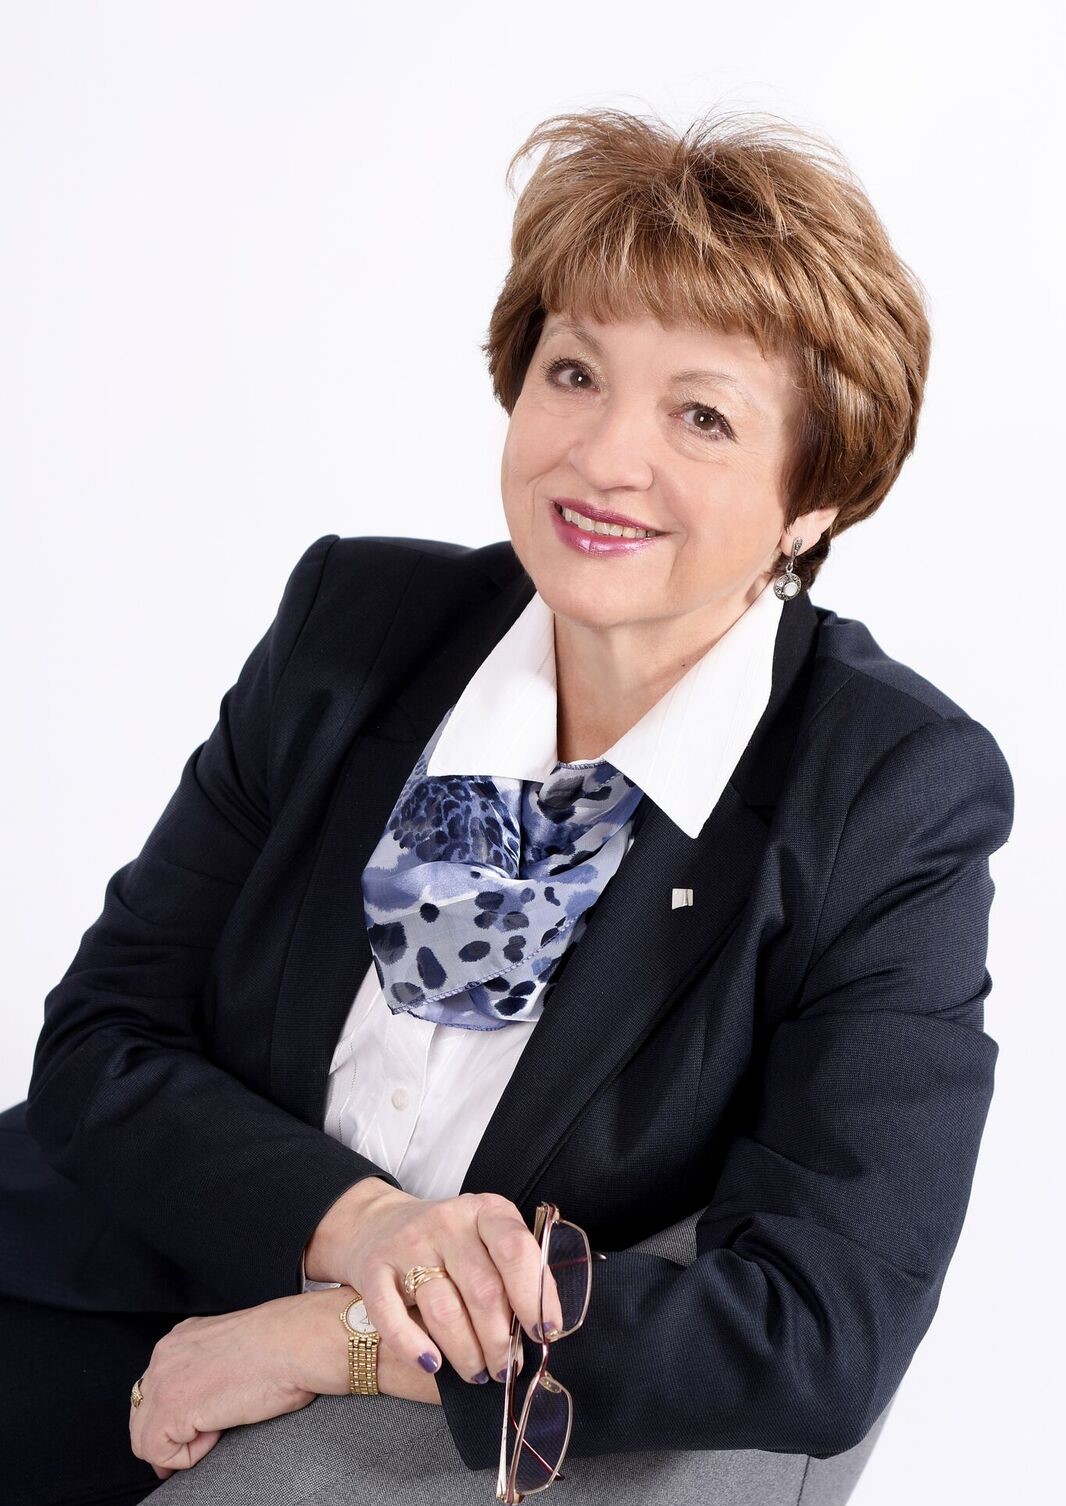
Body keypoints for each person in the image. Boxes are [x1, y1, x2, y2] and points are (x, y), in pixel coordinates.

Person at [0, 105, 1013, 1506]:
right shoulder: (354, 623)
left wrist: (345, 1336)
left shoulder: (886, 791)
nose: (601, 457)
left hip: (410, 1428)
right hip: (97, 1280)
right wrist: (361, 1227)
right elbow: (101, 1044)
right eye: (574, 373)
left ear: (817, 496)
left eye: (701, 415)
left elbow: (819, 1327)